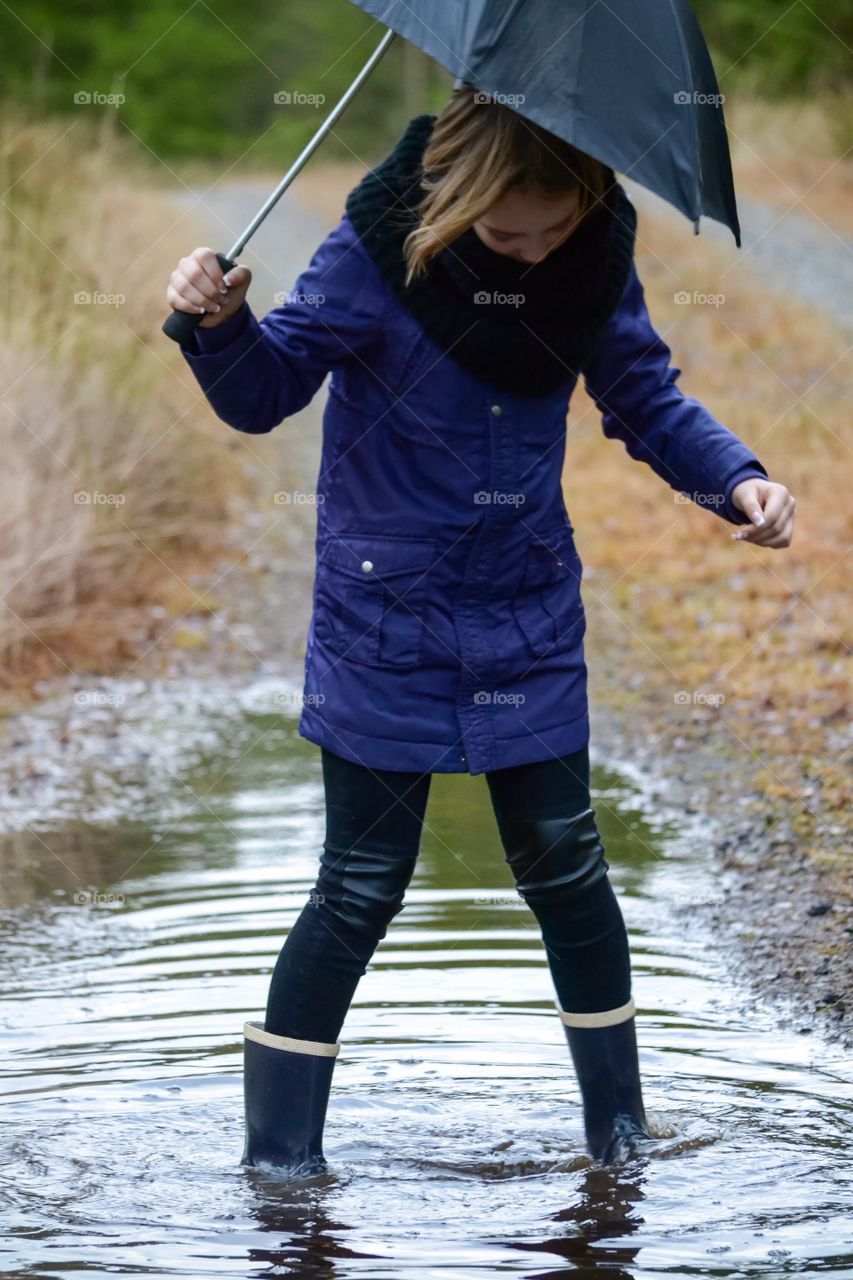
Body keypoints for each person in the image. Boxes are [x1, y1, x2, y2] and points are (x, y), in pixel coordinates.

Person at [167, 85, 795, 1173]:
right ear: (454, 197)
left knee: (566, 865)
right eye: (508, 236)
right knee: (360, 884)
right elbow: (262, 396)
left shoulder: (592, 259)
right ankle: (279, 1165)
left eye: (554, 231)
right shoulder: (376, 253)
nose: (535, 253)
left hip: (526, 611)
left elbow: (642, 396)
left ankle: (621, 1140)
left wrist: (735, 478)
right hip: (383, 618)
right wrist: (217, 325)